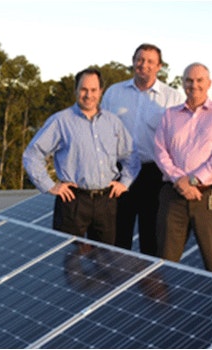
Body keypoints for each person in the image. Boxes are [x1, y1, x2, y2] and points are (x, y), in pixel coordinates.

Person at [23, 68, 140, 245]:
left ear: (101, 91)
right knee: (69, 260)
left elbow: (130, 154)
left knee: (107, 262)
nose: (88, 95)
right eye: (84, 89)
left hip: (107, 202)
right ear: (76, 91)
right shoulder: (61, 121)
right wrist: (49, 186)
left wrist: (125, 182)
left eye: (93, 90)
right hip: (73, 201)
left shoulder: (113, 122)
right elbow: (32, 154)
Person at [154, 63, 212, 276]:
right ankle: (161, 309)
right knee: (164, 263)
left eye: (200, 80)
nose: (194, 85)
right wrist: (179, 181)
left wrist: (193, 181)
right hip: (173, 197)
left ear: (208, 83)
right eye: (189, 80)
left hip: (210, 197)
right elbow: (160, 151)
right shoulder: (169, 115)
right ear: (182, 83)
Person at [101, 43, 184, 256]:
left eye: (150, 61)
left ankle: (147, 286)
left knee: (151, 239)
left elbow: (179, 139)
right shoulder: (114, 93)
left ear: (159, 66)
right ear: (133, 61)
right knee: (117, 236)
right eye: (140, 59)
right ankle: (117, 284)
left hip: (154, 174)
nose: (143, 65)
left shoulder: (172, 97)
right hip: (120, 172)